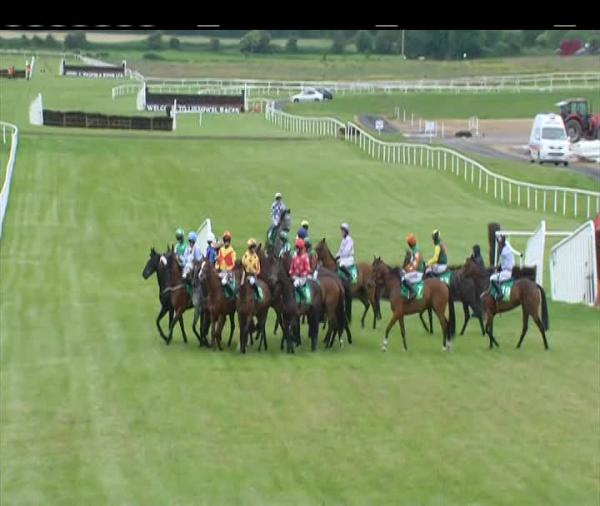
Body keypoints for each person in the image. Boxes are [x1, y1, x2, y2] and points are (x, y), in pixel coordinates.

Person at [489, 234, 514, 300]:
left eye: (499, 243)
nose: (499, 245)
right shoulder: (507, 248)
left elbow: (501, 252)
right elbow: (503, 264)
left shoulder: (504, 251)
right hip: (507, 270)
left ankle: (500, 294)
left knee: (492, 278)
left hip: (507, 272)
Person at [404, 233, 425, 299]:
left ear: (409, 244)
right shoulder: (414, 250)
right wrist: (406, 269)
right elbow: (411, 263)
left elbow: (415, 267)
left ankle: (413, 292)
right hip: (417, 271)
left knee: (404, 278)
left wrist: (408, 270)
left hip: (418, 272)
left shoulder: (416, 251)